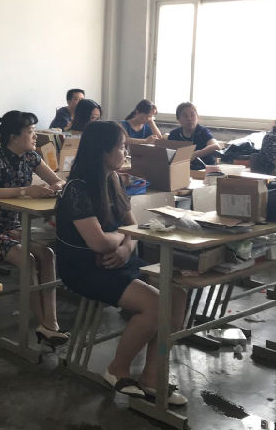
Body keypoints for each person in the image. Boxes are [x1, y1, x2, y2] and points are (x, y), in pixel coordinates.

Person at [55, 121, 188, 404]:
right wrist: (122, 239)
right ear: (103, 151)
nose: (126, 152)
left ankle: (152, 376)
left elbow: (133, 226)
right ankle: (118, 369)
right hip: (85, 267)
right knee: (155, 304)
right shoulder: (77, 188)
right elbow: (99, 243)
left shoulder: (113, 179)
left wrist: (126, 248)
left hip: (118, 260)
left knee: (176, 294)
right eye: (121, 147)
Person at [0, 111, 68, 346]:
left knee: (48, 254)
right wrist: (26, 191)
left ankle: (51, 322)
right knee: (29, 260)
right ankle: (43, 324)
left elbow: (59, 180)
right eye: (31, 132)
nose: (35, 137)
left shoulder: (31, 157)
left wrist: (53, 188)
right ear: (14, 137)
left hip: (13, 227)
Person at [168, 102, 221, 168]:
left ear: (197, 117)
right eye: (185, 116)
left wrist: (195, 154)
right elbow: (168, 155)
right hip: (182, 169)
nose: (189, 119)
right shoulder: (174, 134)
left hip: (204, 169)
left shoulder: (202, 131)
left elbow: (216, 146)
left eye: (192, 115)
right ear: (178, 119)